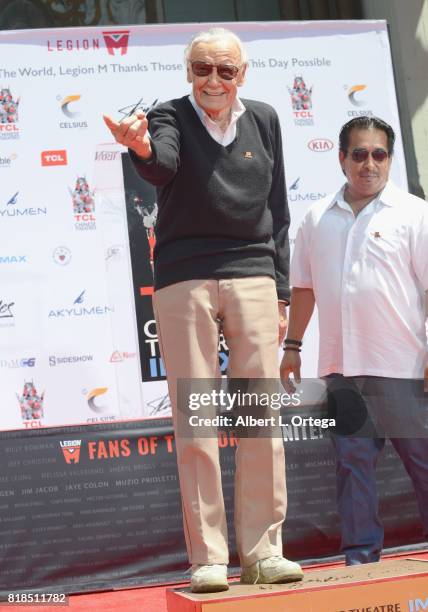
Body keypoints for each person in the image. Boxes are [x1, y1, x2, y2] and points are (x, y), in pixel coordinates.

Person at [104, 27, 303, 591]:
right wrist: (139, 145)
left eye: (225, 70)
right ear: (187, 71)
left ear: (242, 74)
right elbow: (160, 162)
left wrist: (282, 289)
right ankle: (209, 557)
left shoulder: (263, 118)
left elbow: (278, 208)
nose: (212, 81)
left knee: (259, 416)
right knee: (197, 419)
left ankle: (263, 553)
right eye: (201, 69)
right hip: (184, 276)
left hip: (255, 274)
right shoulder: (168, 115)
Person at [281, 116, 428, 565]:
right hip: (341, 370)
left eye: (379, 154)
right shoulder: (316, 217)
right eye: (359, 154)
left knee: (425, 466)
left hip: (403, 367)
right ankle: (360, 559)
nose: (369, 164)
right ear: (342, 158)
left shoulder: (414, 213)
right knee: (352, 468)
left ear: (390, 159)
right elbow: (303, 287)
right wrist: (292, 346)